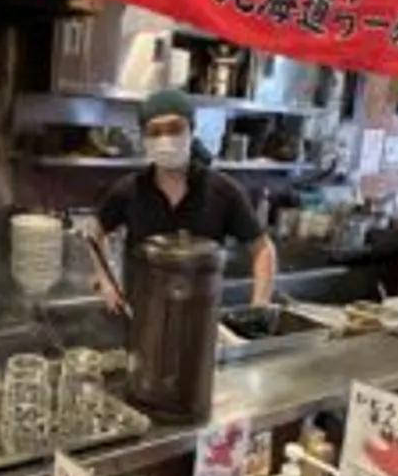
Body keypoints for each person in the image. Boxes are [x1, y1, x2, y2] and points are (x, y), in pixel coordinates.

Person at [89, 89, 277, 312]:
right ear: (144, 139)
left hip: (201, 318)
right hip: (141, 315)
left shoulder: (223, 191)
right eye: (155, 132)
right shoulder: (129, 190)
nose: (165, 139)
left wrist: (260, 305)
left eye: (175, 129)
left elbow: (263, 248)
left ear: (191, 130)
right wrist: (105, 281)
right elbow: (94, 233)